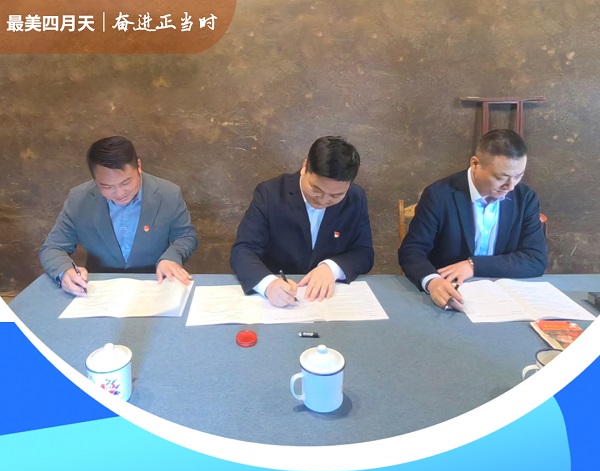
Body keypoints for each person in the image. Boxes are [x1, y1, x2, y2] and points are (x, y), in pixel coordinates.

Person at [398, 129, 547, 310]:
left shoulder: (525, 198)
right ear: (475, 164)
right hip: (451, 294)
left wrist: (473, 266)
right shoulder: (439, 195)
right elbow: (412, 251)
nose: (510, 186)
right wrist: (432, 281)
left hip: (504, 297)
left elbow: (535, 259)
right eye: (501, 177)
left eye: (518, 176)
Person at [39, 135, 198, 296]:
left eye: (126, 182)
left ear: (139, 166)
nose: (119, 193)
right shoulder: (79, 199)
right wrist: (64, 271)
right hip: (98, 289)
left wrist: (171, 258)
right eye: (107, 186)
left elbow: (186, 236)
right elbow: (53, 247)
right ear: (95, 179)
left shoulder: (168, 194)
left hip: (155, 284)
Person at [230, 136, 374, 306]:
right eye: (316, 189)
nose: (323, 200)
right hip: (279, 298)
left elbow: (363, 252)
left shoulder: (355, 198)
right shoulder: (270, 193)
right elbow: (243, 249)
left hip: (329, 300)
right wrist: (269, 285)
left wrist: (331, 268)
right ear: (305, 167)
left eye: (336, 195)